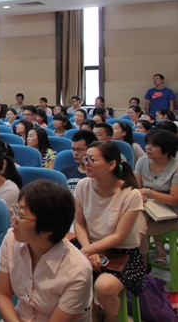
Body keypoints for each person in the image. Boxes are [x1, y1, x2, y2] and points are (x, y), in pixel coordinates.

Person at [0, 180, 93, 322]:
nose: (14, 218)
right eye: (17, 209)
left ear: (47, 229)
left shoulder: (78, 271)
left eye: (22, 215)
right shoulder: (12, 239)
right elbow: (2, 295)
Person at [74, 141, 143, 322]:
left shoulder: (130, 194)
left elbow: (119, 236)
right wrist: (89, 250)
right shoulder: (83, 185)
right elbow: (79, 223)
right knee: (64, 275)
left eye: (92, 160)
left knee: (104, 288)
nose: (86, 163)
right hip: (88, 244)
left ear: (111, 165)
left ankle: (110, 317)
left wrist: (88, 251)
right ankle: (95, 312)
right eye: (86, 159)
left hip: (122, 252)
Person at [134, 129, 178, 265]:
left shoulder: (175, 168)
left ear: (167, 149)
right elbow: (136, 188)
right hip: (147, 208)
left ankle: (139, 262)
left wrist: (148, 192)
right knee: (134, 218)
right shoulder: (142, 162)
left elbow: (174, 199)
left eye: (154, 145)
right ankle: (141, 262)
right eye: (147, 143)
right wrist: (140, 195)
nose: (148, 148)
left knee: (136, 226)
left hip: (170, 213)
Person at [58, 130, 97, 195]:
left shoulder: (97, 175)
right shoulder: (66, 172)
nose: (75, 153)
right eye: (73, 149)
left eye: (79, 150)